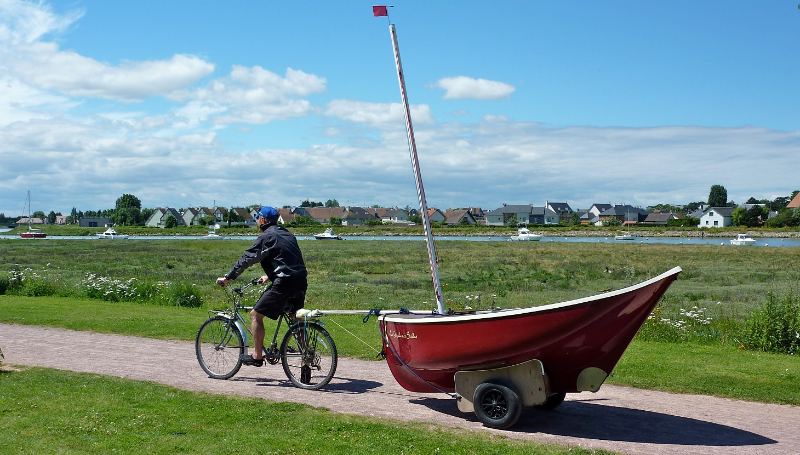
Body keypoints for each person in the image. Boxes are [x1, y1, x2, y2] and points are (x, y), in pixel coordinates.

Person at [216, 206, 308, 367]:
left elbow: (247, 259)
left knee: (255, 315)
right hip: (300, 280)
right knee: (296, 318)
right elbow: (287, 259)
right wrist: (271, 276)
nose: (257, 221)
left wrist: (228, 278)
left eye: (257, 218)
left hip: (284, 283)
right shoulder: (287, 234)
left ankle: (257, 356)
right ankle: (307, 353)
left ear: (263, 220)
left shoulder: (266, 236)